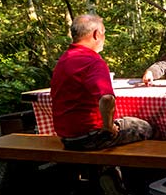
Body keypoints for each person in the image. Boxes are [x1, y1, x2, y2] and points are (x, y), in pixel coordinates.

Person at [52, 14, 152, 151]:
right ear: (96, 34)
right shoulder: (93, 61)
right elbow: (106, 98)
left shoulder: (64, 59)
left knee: (123, 124)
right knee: (145, 127)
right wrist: (108, 126)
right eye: (104, 33)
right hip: (90, 136)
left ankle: (108, 169)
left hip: (66, 137)